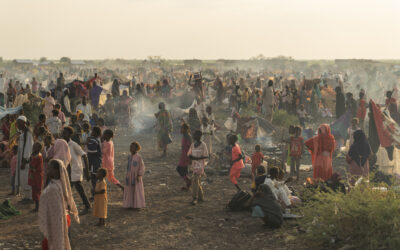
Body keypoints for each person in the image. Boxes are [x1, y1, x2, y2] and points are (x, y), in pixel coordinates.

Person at [39, 159, 80, 250]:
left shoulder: (53, 188)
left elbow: (56, 212)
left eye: (50, 168)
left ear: (57, 170)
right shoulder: (61, 185)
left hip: (58, 222)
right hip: (64, 219)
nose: (47, 170)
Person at [62, 126, 91, 214]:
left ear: (70, 135)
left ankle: (87, 206)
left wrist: (87, 171)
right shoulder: (64, 144)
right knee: (68, 189)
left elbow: (84, 155)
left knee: (77, 188)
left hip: (75, 169)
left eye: (65, 133)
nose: (63, 134)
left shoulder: (74, 144)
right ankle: (68, 206)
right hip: (69, 170)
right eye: (63, 133)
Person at [15, 115, 34, 202]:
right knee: (23, 178)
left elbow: (28, 148)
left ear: (24, 123)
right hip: (21, 160)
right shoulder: (23, 133)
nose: (17, 124)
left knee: (26, 178)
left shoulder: (28, 133)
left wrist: (24, 160)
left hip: (25, 161)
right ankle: (26, 196)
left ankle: (29, 197)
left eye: (19, 122)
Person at [188, 130, 209, 205]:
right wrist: (192, 158)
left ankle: (194, 198)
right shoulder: (193, 144)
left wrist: (198, 158)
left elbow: (206, 155)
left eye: (195, 135)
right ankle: (201, 197)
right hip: (194, 165)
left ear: (199, 136)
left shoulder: (203, 145)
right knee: (197, 181)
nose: (194, 136)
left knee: (195, 180)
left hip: (200, 165)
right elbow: (189, 154)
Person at [123, 141, 146, 209]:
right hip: (129, 176)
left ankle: (137, 205)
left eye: (133, 147)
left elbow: (142, 167)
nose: (131, 149)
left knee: (136, 190)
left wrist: (139, 175)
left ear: (136, 148)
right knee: (129, 190)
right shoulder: (129, 157)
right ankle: (129, 204)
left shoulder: (138, 157)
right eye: (130, 147)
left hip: (136, 177)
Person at [87, 126, 102, 197]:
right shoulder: (96, 139)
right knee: (94, 177)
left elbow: (92, 151)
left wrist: (87, 142)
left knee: (94, 177)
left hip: (94, 162)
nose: (91, 133)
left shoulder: (94, 140)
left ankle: (95, 193)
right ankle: (95, 192)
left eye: (92, 131)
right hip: (95, 161)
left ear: (95, 133)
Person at [28, 142, 44, 212]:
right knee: (34, 191)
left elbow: (33, 166)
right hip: (34, 175)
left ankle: (38, 207)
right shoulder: (34, 155)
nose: (33, 148)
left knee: (37, 191)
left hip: (37, 175)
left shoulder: (38, 156)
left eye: (35, 147)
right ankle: (37, 206)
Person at [177, 123, 192, 190]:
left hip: (186, 155)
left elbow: (190, 147)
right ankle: (187, 184)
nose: (180, 129)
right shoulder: (185, 136)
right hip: (184, 154)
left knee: (179, 168)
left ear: (185, 129)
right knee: (183, 169)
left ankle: (188, 181)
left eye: (182, 128)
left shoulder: (187, 136)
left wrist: (190, 157)